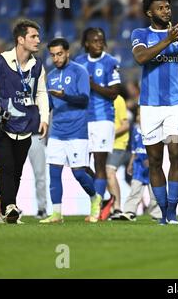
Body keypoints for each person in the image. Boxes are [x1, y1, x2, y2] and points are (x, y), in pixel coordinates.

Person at [131, 0, 178, 225]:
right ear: (149, 12)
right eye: (160, 8)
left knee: (176, 154)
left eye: (168, 7)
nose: (166, 11)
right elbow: (141, 58)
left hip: (177, 104)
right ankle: (161, 211)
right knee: (154, 161)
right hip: (150, 106)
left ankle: (172, 211)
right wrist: (168, 40)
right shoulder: (140, 34)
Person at [0, 19, 49, 224]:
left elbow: (41, 92)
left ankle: (9, 212)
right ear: (20, 39)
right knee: (6, 167)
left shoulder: (37, 65)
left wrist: (44, 118)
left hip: (25, 125)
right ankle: (9, 207)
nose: (38, 40)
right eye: (33, 36)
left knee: (17, 171)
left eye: (38, 36)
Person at [40, 37, 102, 223]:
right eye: (52, 55)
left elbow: (84, 99)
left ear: (67, 52)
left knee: (79, 173)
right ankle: (57, 213)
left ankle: (95, 198)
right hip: (57, 131)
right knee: (54, 173)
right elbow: (49, 105)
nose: (56, 58)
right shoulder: (49, 76)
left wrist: (64, 96)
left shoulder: (79, 71)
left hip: (77, 131)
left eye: (59, 54)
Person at [75, 27, 121, 215]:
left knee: (99, 164)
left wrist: (92, 85)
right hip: (82, 120)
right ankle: (102, 200)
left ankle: (97, 210)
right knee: (80, 166)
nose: (98, 43)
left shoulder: (110, 62)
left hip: (103, 119)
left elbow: (114, 93)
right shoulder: (78, 63)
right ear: (86, 43)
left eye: (101, 40)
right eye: (94, 40)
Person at [120, 108, 161, 221]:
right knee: (135, 189)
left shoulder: (155, 130)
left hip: (151, 165)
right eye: (138, 114)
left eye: (141, 114)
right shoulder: (135, 130)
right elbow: (134, 148)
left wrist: (151, 158)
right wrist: (131, 162)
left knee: (155, 191)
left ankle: (157, 214)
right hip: (138, 164)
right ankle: (129, 212)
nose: (138, 116)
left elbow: (158, 148)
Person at [103, 94, 131, 220]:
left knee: (109, 172)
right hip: (102, 144)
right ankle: (111, 206)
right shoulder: (96, 99)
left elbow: (125, 125)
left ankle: (118, 207)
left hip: (118, 144)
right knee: (103, 175)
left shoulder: (118, 99)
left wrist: (109, 134)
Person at [28, 133, 48, 219]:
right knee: (10, 173)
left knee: (39, 174)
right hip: (14, 135)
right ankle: (9, 207)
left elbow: (47, 120)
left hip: (35, 135)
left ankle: (41, 208)